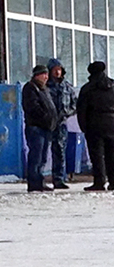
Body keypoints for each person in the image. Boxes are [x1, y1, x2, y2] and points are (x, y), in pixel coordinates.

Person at [76, 61, 114, 191]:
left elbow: (81, 109)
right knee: (113, 154)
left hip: (94, 125)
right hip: (112, 124)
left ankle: (99, 181)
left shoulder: (87, 89)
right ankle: (113, 181)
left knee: (97, 155)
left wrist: (84, 126)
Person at [22, 64, 59, 192]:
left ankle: (39, 181)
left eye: (47, 74)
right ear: (37, 75)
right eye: (44, 74)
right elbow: (33, 107)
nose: (46, 77)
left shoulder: (44, 89)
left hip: (46, 128)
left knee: (43, 157)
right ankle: (34, 183)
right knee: (36, 156)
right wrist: (45, 118)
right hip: (36, 127)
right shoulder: (30, 88)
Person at [46, 58, 76, 189]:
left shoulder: (67, 87)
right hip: (47, 123)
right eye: (54, 70)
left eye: (59, 69)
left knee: (60, 152)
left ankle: (59, 179)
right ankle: (38, 179)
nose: (57, 72)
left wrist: (67, 113)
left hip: (62, 123)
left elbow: (75, 104)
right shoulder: (45, 86)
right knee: (41, 152)